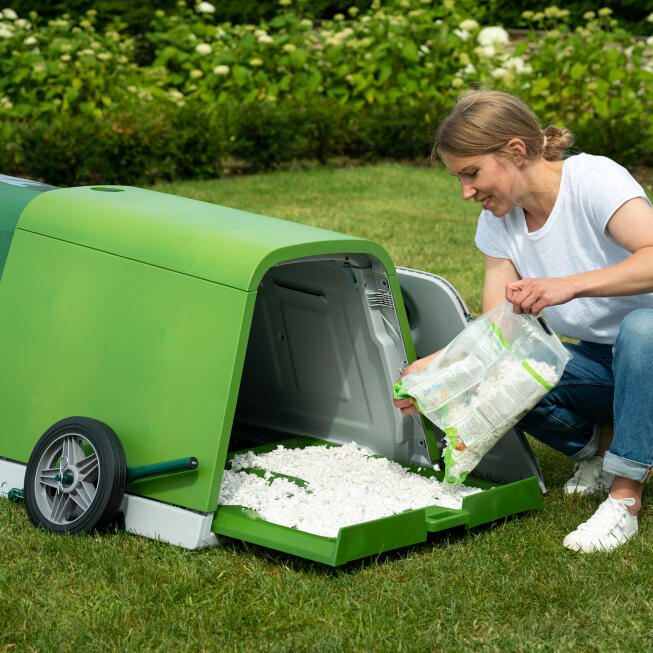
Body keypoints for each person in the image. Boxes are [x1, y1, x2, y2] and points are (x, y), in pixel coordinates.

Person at [394, 89, 653, 553]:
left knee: (642, 329)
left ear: (515, 151)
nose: (466, 192)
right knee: (501, 372)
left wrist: (569, 284)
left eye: (471, 174)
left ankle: (625, 496)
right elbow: (498, 328)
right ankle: (605, 448)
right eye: (458, 178)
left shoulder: (593, 180)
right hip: (602, 365)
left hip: (647, 352)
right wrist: (439, 369)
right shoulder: (498, 220)